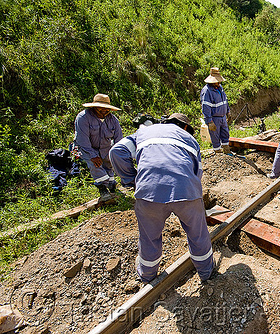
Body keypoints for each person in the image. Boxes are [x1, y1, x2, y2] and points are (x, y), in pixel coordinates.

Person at [109, 113, 215, 283]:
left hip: (148, 192)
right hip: (186, 191)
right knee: (198, 234)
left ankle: (147, 275)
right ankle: (206, 272)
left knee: (149, 237)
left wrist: (132, 181)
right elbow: (198, 173)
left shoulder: (144, 132)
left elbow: (116, 151)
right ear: (186, 127)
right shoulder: (190, 139)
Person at [74, 93, 123, 201]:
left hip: (105, 148)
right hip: (87, 148)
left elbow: (119, 139)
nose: (104, 112)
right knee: (95, 164)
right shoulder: (83, 118)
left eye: (107, 109)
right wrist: (93, 156)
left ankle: (111, 184)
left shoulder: (113, 120)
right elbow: (82, 140)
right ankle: (102, 188)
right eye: (101, 109)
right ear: (95, 107)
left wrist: (117, 154)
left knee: (108, 163)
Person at [200, 67, 231, 154]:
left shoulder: (220, 88)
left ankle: (226, 150)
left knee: (225, 134)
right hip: (215, 118)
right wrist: (209, 121)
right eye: (217, 81)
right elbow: (206, 107)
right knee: (215, 137)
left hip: (223, 117)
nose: (219, 82)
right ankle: (218, 153)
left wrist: (228, 112)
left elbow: (225, 101)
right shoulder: (207, 91)